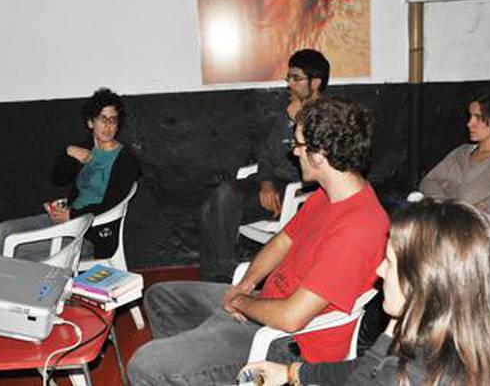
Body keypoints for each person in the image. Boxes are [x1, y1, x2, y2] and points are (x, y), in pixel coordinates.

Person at [128, 97, 389, 385]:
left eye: (299, 144)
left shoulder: (359, 228)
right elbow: (282, 241)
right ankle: (194, 362)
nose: (294, 152)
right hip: (266, 305)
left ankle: (190, 362)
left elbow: (292, 317)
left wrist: (241, 302)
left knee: (144, 365)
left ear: (320, 154)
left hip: (288, 343)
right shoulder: (326, 195)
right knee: (161, 298)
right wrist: (245, 285)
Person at [242, 200, 490, 386]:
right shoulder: (486, 344)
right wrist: (292, 373)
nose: (380, 271)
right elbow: (361, 371)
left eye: (390, 262)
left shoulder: (409, 376)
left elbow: (370, 376)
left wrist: (388, 334)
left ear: (424, 281)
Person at [199, 48, 330, 282]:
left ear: (316, 82)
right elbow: (266, 154)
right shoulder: (286, 112)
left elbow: (317, 165)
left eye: (296, 78)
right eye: (288, 77)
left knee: (216, 207)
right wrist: (266, 183)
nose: (290, 84)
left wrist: (297, 120)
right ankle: (219, 277)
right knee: (220, 197)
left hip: (298, 188)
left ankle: (218, 279)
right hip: (272, 184)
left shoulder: (327, 116)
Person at [0, 88, 140, 261]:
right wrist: (69, 152)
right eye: (102, 119)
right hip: (68, 220)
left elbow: (111, 203)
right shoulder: (85, 148)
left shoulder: (126, 159)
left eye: (113, 120)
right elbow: (59, 179)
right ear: (90, 122)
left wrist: (72, 215)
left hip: (90, 234)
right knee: (4, 231)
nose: (108, 125)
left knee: (16, 248)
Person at [418, 89, 490, 215]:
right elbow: (426, 182)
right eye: (470, 116)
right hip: (443, 217)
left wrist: (444, 187)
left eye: (478, 118)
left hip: (470, 225)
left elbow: (465, 198)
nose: (469, 124)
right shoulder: (462, 150)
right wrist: (452, 198)